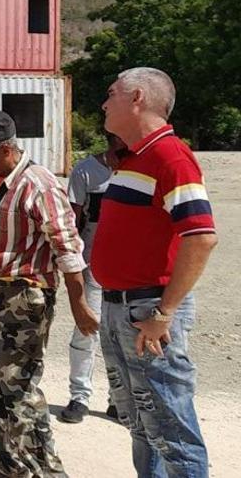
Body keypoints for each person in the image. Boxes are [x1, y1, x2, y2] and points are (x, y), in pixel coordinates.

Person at [0, 111, 98, 478]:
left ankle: (46, 471)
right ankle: (7, 462)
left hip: (24, 296)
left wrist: (79, 303)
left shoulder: (39, 184)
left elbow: (68, 248)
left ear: (6, 148)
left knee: (19, 387)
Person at [95, 67, 216, 476]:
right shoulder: (135, 158)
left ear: (137, 98)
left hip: (148, 312)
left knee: (172, 430)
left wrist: (164, 313)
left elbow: (200, 237)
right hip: (123, 309)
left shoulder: (170, 155)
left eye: (112, 93)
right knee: (143, 425)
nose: (104, 102)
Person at [58, 131, 128, 425]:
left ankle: (119, 400)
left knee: (123, 334)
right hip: (93, 264)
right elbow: (72, 221)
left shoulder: (140, 170)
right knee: (87, 327)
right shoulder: (86, 171)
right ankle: (80, 396)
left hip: (129, 268)